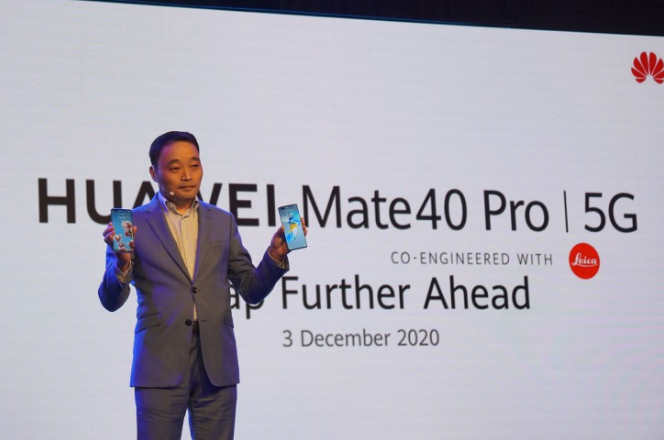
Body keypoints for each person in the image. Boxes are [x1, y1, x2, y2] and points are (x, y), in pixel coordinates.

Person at [98, 131, 303, 440]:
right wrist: (123, 263)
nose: (187, 175)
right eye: (175, 167)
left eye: (194, 165)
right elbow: (110, 300)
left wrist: (275, 255)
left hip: (216, 362)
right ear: (154, 173)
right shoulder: (130, 223)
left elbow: (251, 289)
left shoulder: (222, 220)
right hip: (159, 361)